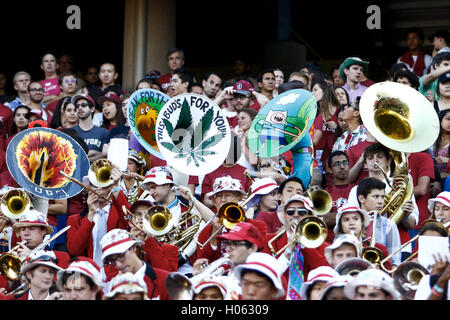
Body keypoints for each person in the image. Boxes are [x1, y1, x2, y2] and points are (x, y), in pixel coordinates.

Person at [262, 194, 328, 300]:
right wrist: (288, 250)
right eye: (290, 212)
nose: (295, 215)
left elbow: (321, 272)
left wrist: (305, 244)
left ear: (310, 216)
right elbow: (267, 277)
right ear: (284, 216)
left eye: (302, 212)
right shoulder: (268, 241)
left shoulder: (322, 246)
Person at [66, 165, 129, 267]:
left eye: (105, 186)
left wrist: (117, 187)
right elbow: (74, 250)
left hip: (117, 270)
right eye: (95, 185)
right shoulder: (75, 219)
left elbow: (129, 222)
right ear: (88, 188)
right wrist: (90, 214)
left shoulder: (119, 213)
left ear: (111, 187)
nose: (99, 189)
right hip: (89, 273)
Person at [194, 177, 267, 265]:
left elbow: (260, 257)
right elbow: (202, 262)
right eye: (218, 196)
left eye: (228, 195)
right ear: (214, 200)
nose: (223, 200)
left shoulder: (258, 226)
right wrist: (214, 237)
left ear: (240, 198)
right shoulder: (206, 231)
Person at [100, 228, 170, 300]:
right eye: (112, 261)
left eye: (121, 256)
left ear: (134, 248)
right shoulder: (109, 282)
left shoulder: (165, 280)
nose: (118, 265)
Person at [324, 151, 354, 242]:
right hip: (330, 242)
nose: (342, 167)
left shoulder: (357, 190)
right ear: (330, 170)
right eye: (337, 164)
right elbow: (325, 219)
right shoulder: (324, 193)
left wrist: (334, 216)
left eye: (345, 163)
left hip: (353, 241)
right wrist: (351, 217)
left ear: (349, 166)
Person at [311, 79, 339, 176]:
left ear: (324, 91)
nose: (312, 93)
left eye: (315, 90)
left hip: (339, 156)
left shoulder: (341, 110)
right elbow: (315, 141)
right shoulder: (316, 115)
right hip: (320, 159)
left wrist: (338, 128)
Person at [71, 94, 109, 163]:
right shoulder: (71, 132)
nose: (79, 108)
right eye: (77, 106)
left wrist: (98, 154)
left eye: (83, 105)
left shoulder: (103, 132)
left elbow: (108, 156)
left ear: (92, 109)